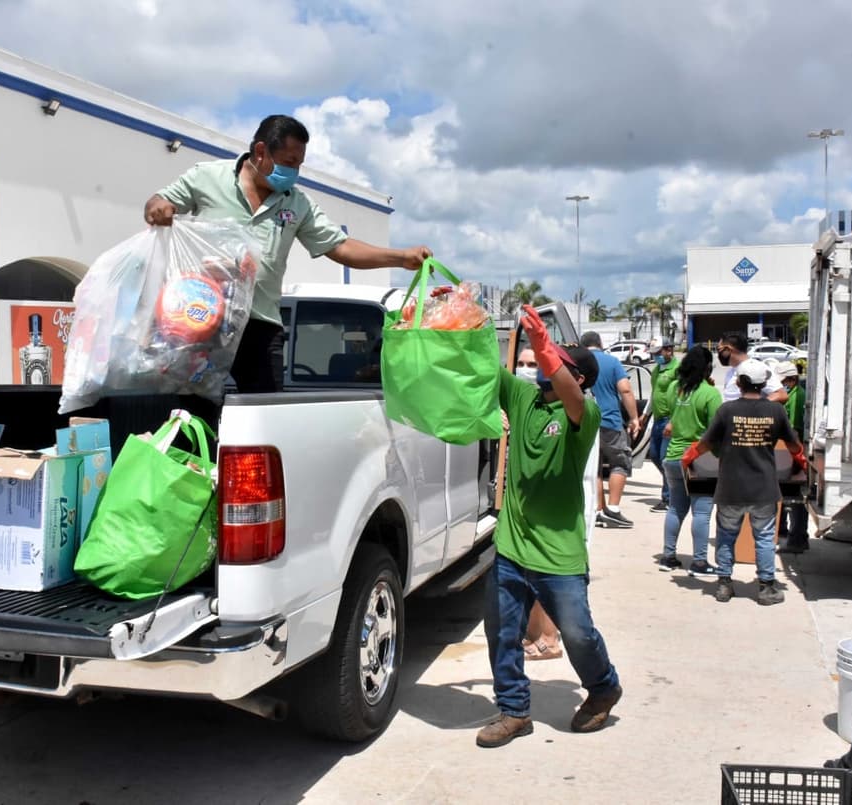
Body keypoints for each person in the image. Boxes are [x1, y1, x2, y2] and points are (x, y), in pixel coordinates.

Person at [144, 114, 432, 392]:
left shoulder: (298, 204)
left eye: (299, 165)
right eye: (288, 162)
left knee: (265, 416)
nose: (293, 172)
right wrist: (159, 206)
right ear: (260, 151)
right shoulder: (206, 177)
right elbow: (159, 201)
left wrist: (401, 258)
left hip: (260, 325)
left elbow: (340, 246)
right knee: (190, 415)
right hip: (201, 317)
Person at [478, 307, 620, 748]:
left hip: (558, 555)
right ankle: (515, 710)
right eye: (545, 358)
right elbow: (484, 366)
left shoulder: (586, 414)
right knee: (501, 630)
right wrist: (468, 322)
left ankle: (603, 687)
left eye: (557, 364)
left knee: (577, 634)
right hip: (511, 545)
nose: (544, 367)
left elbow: (572, 398)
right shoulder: (522, 399)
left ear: (579, 379)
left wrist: (545, 349)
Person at [682, 359, 807, 606]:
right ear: (763, 384)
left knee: (727, 536)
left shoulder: (727, 411)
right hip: (763, 489)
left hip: (730, 488)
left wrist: (689, 457)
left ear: (739, 382)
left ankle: (724, 585)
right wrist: (802, 461)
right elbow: (793, 446)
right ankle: (766, 587)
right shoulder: (776, 411)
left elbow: (706, 443)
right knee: (764, 537)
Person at [511, 347, 563, 660]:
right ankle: (534, 633)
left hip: (548, 506)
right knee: (526, 574)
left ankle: (550, 637)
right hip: (521, 502)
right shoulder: (520, 401)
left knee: (542, 574)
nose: (526, 369)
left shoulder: (556, 407)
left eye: (533, 364)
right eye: (521, 363)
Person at [658, 346, 721, 575]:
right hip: (699, 460)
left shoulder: (675, 388)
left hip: (673, 456)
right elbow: (716, 430)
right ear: (707, 368)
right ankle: (700, 562)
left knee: (675, 507)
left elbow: (671, 415)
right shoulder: (710, 394)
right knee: (702, 513)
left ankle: (668, 556)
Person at [579, 332, 641, 528]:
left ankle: (597, 509)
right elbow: (625, 390)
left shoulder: (577, 361)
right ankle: (613, 510)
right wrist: (634, 418)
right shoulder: (612, 361)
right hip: (610, 422)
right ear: (600, 343)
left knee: (594, 468)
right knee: (620, 462)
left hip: (585, 422)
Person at [773, 361, 810, 554]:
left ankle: (798, 539)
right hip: (789, 451)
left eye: (784, 381)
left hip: (794, 452)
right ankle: (788, 532)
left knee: (796, 497)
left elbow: (794, 431)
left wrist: (791, 458)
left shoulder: (797, 397)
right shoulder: (791, 394)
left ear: (793, 379)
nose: (782, 385)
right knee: (789, 495)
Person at [648, 341, 679, 512]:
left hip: (670, 419)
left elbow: (682, 395)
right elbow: (654, 395)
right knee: (654, 456)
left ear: (669, 350)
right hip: (658, 419)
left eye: (658, 352)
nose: (656, 356)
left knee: (664, 459)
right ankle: (675, 484)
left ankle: (668, 498)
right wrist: (645, 415)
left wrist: (673, 420)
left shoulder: (677, 370)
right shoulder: (657, 370)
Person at [716, 334, 788, 404]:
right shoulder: (730, 371)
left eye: (719, 349)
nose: (718, 354)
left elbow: (781, 395)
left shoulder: (757, 368)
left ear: (728, 349)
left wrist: (753, 408)